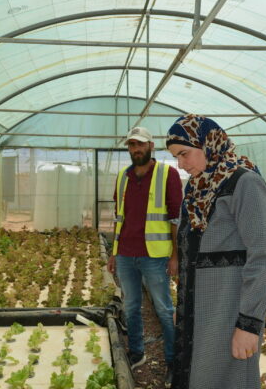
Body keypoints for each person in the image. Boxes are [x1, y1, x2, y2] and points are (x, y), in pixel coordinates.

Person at [166, 114, 266, 389]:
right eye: (176, 157)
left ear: (209, 144)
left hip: (228, 311)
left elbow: (262, 256)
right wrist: (183, 304)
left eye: (185, 154)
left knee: (228, 378)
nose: (180, 165)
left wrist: (249, 325)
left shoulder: (244, 183)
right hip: (199, 310)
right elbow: (191, 250)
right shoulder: (197, 186)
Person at [107, 126, 182, 387]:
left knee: (164, 309)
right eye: (131, 145)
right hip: (126, 254)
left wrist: (175, 255)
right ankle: (137, 353)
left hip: (155, 255)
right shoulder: (123, 177)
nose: (135, 149)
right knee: (130, 307)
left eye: (140, 145)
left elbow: (176, 217)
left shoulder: (167, 174)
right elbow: (119, 217)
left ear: (151, 146)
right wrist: (115, 253)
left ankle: (174, 363)